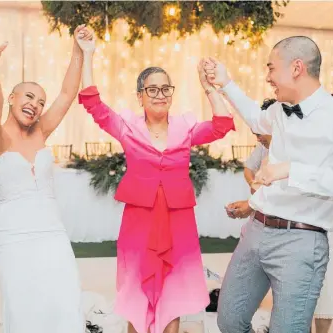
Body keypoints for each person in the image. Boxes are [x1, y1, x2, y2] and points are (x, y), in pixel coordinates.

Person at [203, 36, 333, 333]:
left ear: (297, 68)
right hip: (256, 231)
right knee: (228, 319)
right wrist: (226, 82)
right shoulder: (279, 110)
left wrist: (291, 171)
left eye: (271, 68)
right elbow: (257, 120)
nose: (268, 77)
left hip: (302, 240)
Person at [76, 30, 235, 333]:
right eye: (153, 89)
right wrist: (87, 54)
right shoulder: (127, 128)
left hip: (178, 221)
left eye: (166, 89)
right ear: (140, 96)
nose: (160, 95)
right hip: (140, 222)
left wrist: (208, 87)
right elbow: (93, 104)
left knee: (173, 293)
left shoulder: (186, 127)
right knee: (137, 295)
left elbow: (221, 125)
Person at [0, 26, 90, 332]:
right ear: (13, 98)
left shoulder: (40, 131)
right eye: (29, 96)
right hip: (13, 236)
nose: (36, 105)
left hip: (52, 231)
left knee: (65, 299)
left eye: (40, 101)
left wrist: (78, 48)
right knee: (24, 307)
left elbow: (66, 94)